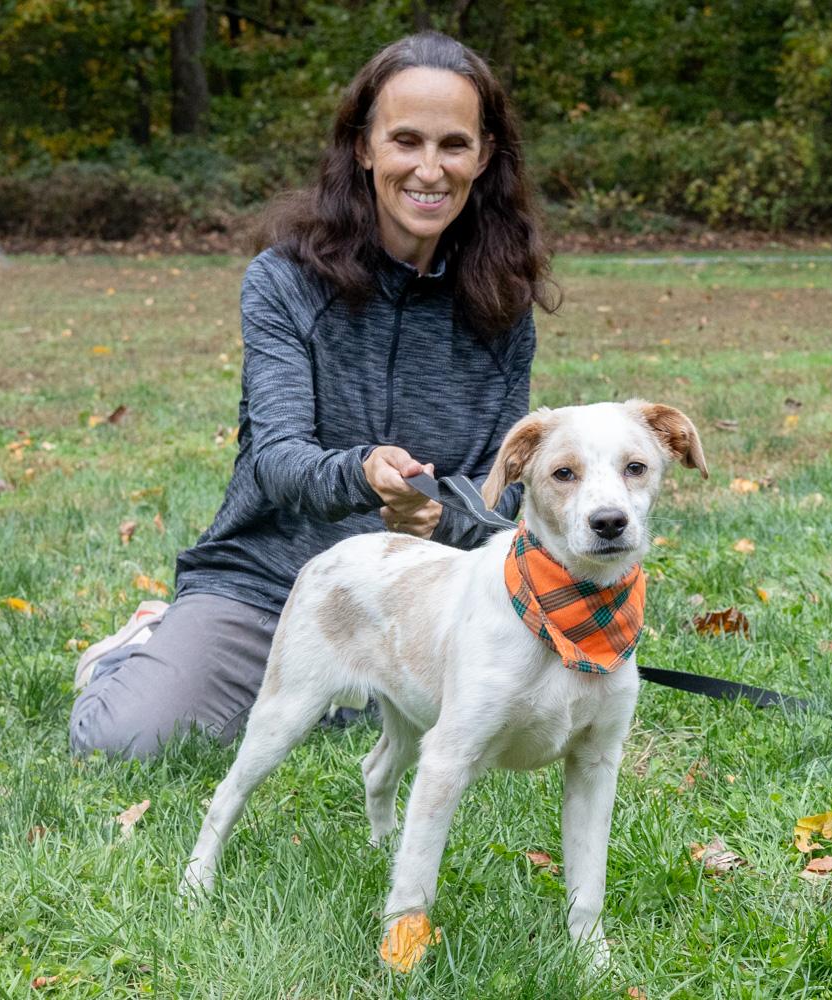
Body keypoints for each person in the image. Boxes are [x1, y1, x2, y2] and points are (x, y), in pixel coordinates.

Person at [69, 30, 557, 759]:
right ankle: (143, 643)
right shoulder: (283, 282)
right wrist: (364, 474)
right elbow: (278, 460)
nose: (430, 169)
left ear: (484, 157)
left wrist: (435, 515)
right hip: (271, 583)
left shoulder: (503, 303)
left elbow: (501, 495)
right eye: (406, 141)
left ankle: (344, 694)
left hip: (422, 600)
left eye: (454, 145)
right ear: (364, 147)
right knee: (126, 741)